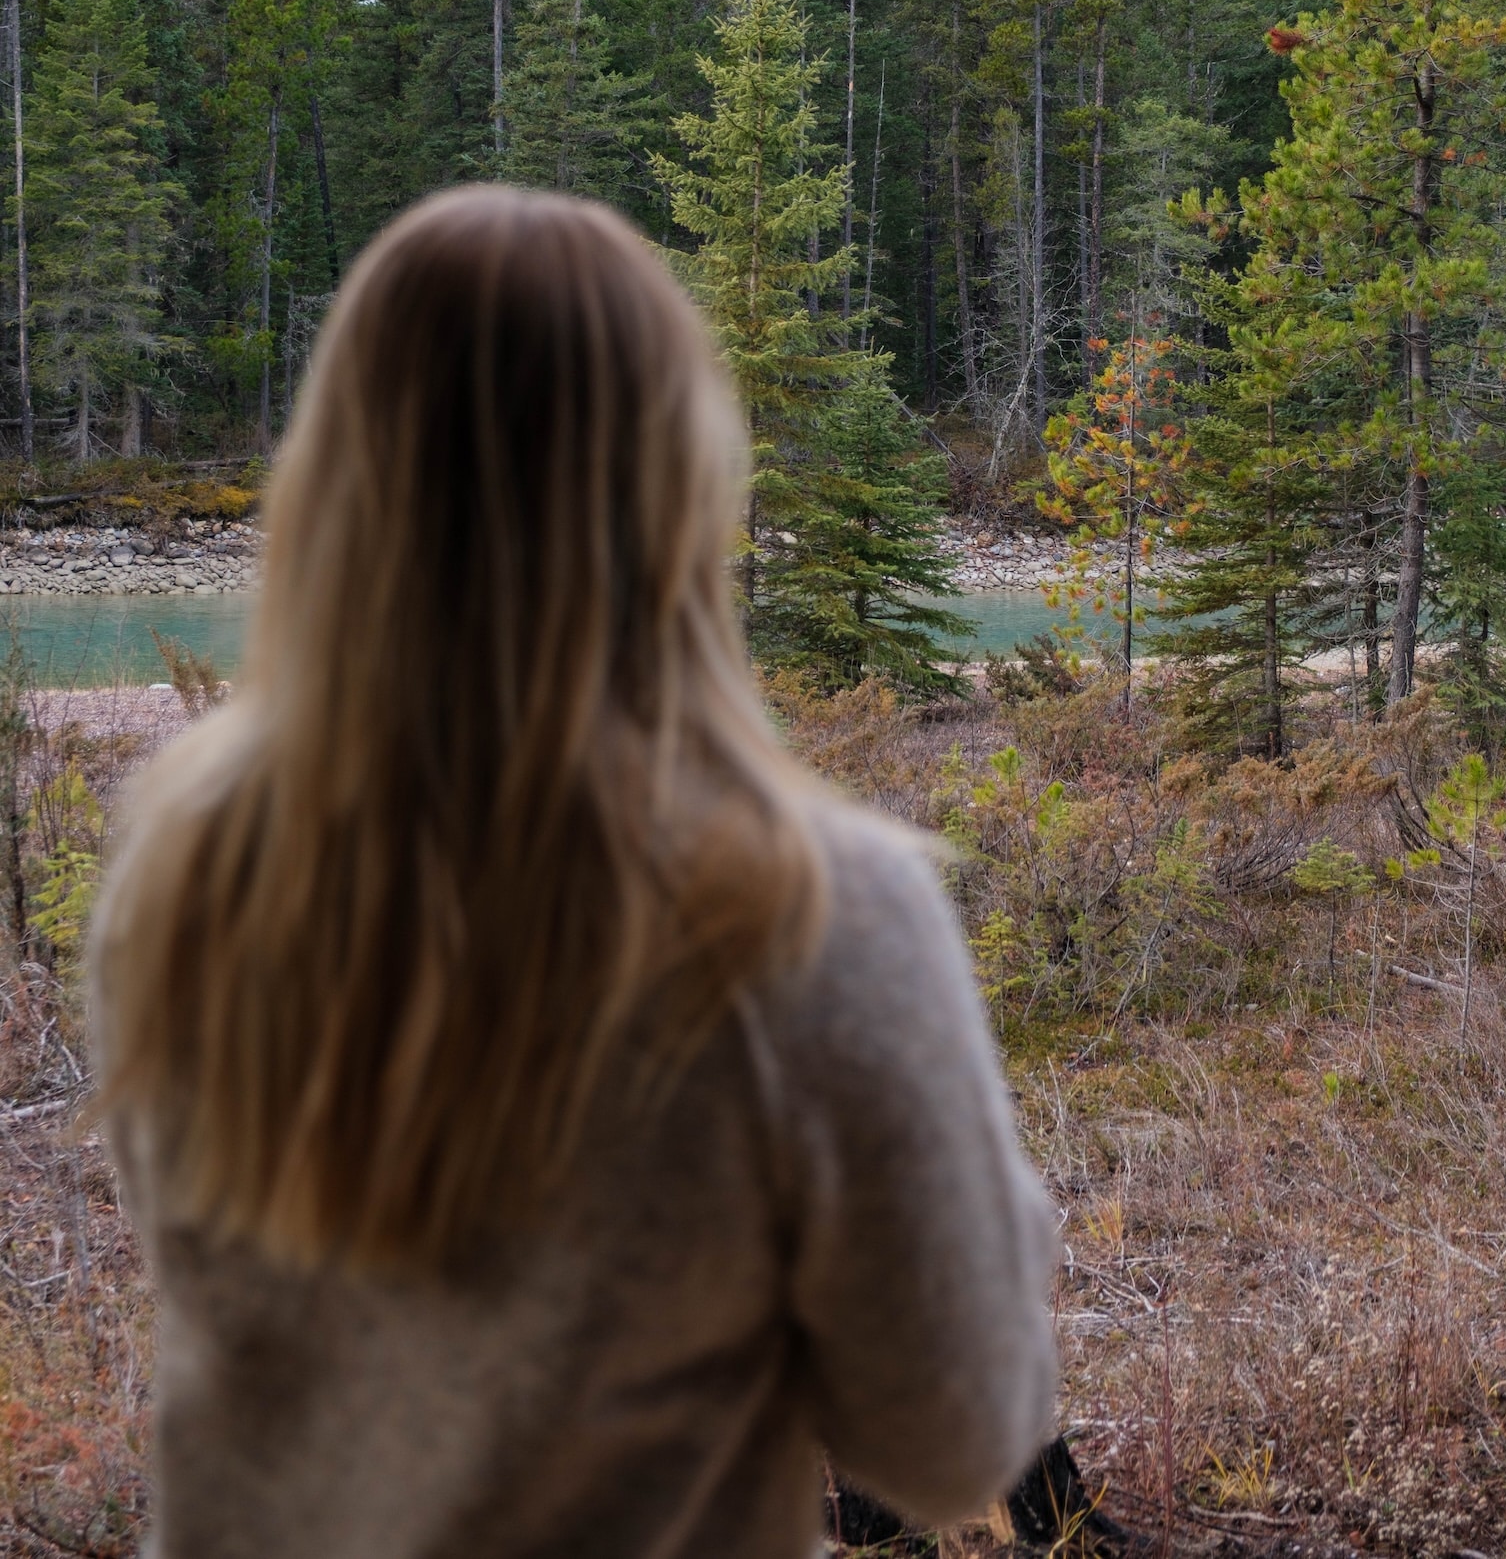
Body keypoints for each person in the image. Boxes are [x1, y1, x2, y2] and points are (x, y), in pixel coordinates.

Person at [92, 187, 1056, 1559]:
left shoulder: (186, 871)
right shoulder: (808, 917)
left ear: (339, 480)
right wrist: (995, 1200)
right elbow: (955, 1438)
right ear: (676, 491)